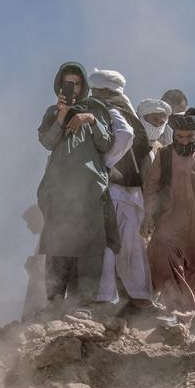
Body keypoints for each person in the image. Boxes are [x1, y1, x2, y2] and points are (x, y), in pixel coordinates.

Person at [36, 61, 115, 309]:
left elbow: (106, 144)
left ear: (84, 86)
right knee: (58, 242)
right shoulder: (52, 112)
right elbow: (48, 142)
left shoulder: (97, 110)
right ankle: (55, 304)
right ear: (60, 85)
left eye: (77, 84)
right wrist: (62, 114)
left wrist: (91, 119)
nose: (74, 88)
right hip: (59, 189)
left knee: (91, 245)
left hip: (90, 188)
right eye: (68, 84)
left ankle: (84, 304)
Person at [142, 106, 195, 336]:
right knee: (162, 254)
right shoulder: (164, 155)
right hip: (170, 220)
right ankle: (178, 312)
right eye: (180, 137)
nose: (184, 141)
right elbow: (152, 187)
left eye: (189, 137)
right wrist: (148, 216)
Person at [88, 69, 153, 310]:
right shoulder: (130, 113)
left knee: (108, 243)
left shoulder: (108, 111)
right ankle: (139, 297)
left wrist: (105, 163)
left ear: (104, 91)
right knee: (131, 246)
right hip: (133, 191)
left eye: (95, 91)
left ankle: (105, 298)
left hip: (115, 188)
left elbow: (125, 136)